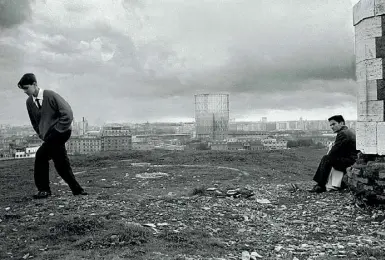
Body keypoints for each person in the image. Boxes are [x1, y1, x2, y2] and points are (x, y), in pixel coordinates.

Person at [18, 73, 87, 199]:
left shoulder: (50, 95)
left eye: (26, 88)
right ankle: (77, 190)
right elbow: (34, 122)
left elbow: (68, 113)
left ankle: (44, 190)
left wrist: (58, 129)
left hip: (62, 132)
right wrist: (42, 134)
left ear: (34, 84)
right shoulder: (29, 102)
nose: (25, 91)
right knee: (60, 161)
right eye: (23, 89)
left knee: (41, 156)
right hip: (49, 136)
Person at [309, 115, 358, 193]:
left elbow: (334, 152)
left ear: (341, 123)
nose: (331, 127)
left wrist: (331, 150)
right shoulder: (350, 131)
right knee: (330, 158)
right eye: (330, 125)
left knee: (326, 158)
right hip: (353, 159)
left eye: (334, 124)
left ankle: (320, 185)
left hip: (350, 161)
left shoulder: (342, 133)